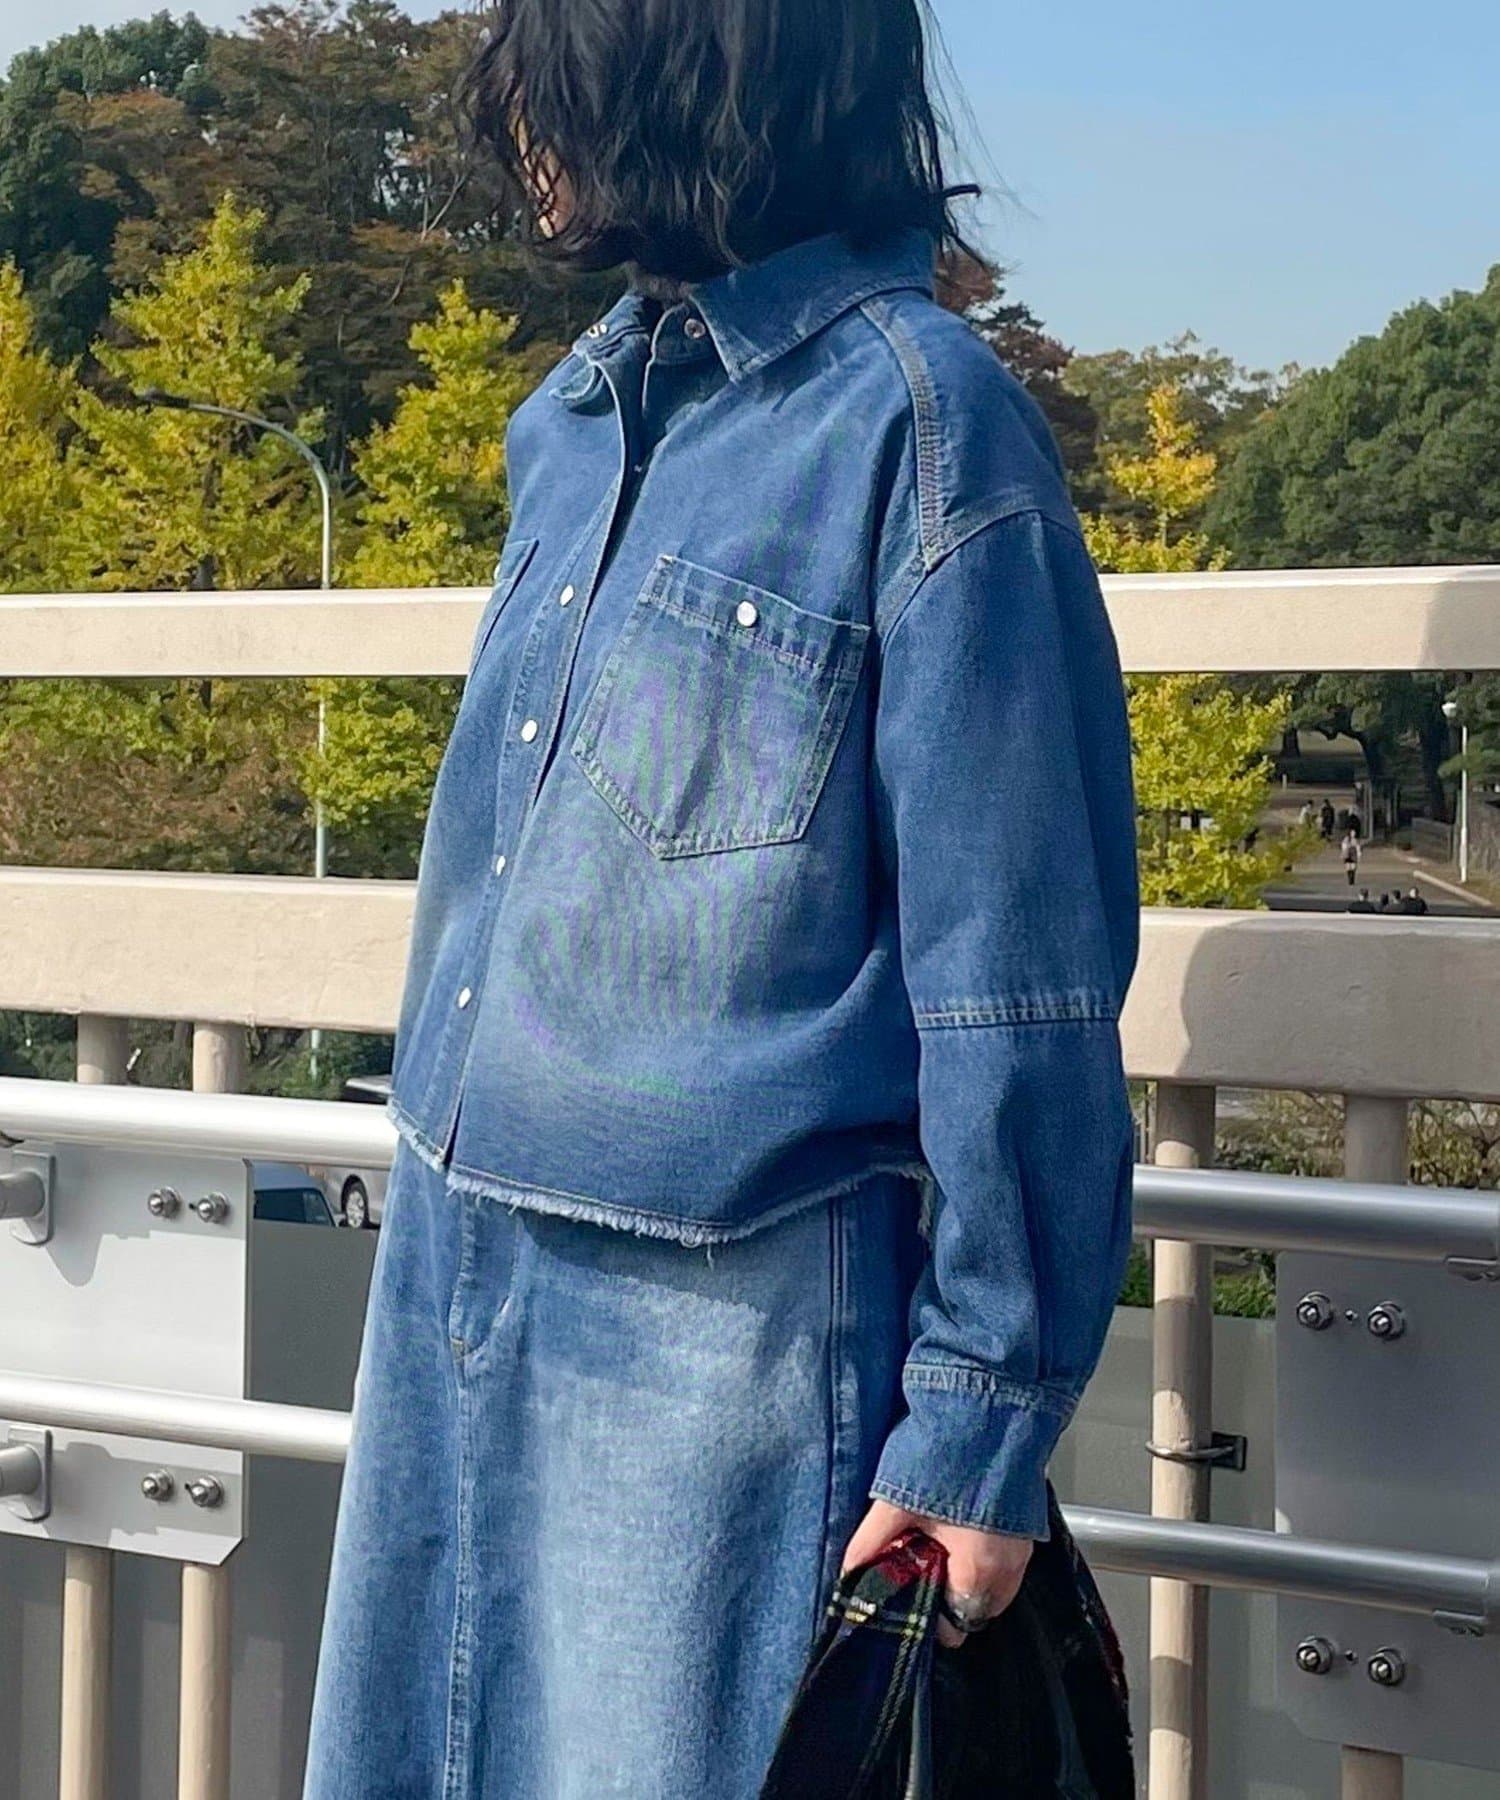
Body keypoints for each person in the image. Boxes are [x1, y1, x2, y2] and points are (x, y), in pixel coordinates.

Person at [303, 4, 1138, 1795]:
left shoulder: (927, 428)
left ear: (703, 73)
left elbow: (1019, 979)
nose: (521, 120)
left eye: (556, 72)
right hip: (452, 1261)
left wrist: (980, 1418)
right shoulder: (573, 419)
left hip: (720, 1336)